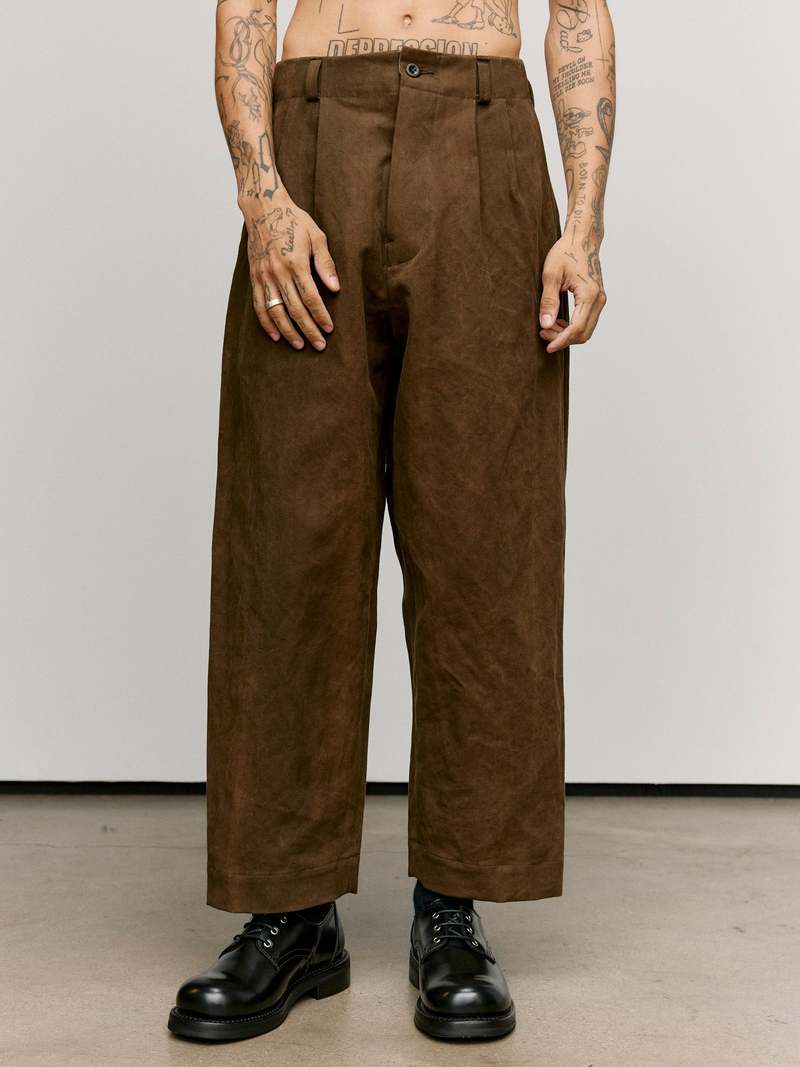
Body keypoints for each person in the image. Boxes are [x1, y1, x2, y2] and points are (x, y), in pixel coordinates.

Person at [168, 0, 615, 1044]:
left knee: (484, 540)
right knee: (289, 537)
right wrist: (263, 197)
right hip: (314, 126)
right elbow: (246, 6)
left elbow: (577, 13)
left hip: (485, 137)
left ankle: (452, 908)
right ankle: (289, 912)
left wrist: (583, 225)